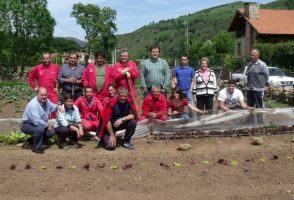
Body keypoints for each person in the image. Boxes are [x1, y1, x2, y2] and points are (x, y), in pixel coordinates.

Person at [20, 87, 62, 154]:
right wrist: (48, 125)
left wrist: (58, 106)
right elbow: (37, 122)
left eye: (45, 95)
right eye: (42, 95)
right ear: (37, 94)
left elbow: (53, 107)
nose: (44, 97)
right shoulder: (33, 105)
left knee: (51, 132)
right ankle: (36, 147)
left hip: (40, 124)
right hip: (27, 125)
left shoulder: (47, 101)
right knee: (40, 127)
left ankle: (32, 140)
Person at [28, 52, 60, 117]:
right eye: (44, 58)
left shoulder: (55, 67)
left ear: (50, 58)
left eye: (47, 58)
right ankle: (43, 125)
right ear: (42, 59)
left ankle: (53, 125)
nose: (46, 60)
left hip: (52, 93)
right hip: (42, 94)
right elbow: (30, 78)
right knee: (42, 111)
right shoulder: (38, 68)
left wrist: (59, 87)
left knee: (54, 110)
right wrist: (34, 87)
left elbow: (61, 78)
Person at [111, 49, 140, 119]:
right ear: (120, 57)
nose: (124, 57)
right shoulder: (116, 66)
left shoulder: (132, 64)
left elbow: (136, 74)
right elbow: (113, 77)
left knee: (135, 109)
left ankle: (137, 122)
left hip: (131, 92)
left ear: (128, 56)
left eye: (125, 56)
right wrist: (122, 73)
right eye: (122, 56)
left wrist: (129, 70)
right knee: (121, 110)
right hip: (120, 93)